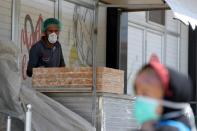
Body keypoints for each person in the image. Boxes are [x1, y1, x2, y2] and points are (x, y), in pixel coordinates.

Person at [133, 55, 196, 131]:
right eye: (137, 93)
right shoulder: (155, 125)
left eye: (145, 94)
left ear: (168, 98)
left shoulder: (173, 128)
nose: (139, 100)